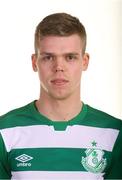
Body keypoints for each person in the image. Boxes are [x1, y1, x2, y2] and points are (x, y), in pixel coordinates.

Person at [0, 12, 122, 180]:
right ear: (34, 62)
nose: (59, 67)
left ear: (84, 61)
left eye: (70, 57)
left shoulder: (114, 133)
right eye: (48, 57)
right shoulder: (4, 132)